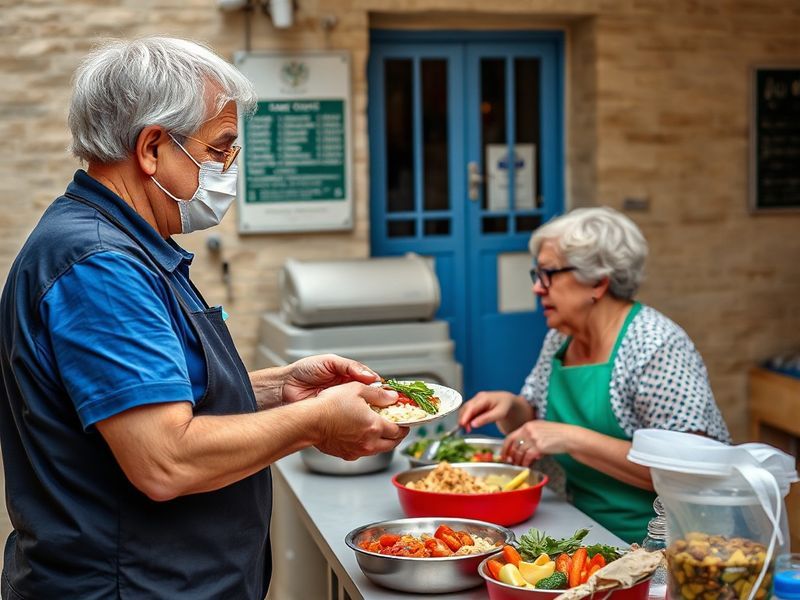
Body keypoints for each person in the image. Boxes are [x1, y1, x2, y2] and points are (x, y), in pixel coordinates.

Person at [0, 36, 408, 599]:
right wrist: (315, 423)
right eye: (219, 149)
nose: (228, 170)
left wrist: (279, 387)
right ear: (151, 148)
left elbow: (165, 392)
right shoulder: (101, 267)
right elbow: (163, 459)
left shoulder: (129, 244)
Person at [458, 207, 730, 544]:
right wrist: (510, 407)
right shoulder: (562, 337)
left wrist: (572, 438)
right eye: (536, 275)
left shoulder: (655, 345)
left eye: (549, 274)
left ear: (598, 283)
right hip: (575, 528)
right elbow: (536, 420)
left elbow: (689, 471)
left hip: (659, 547)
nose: (537, 289)